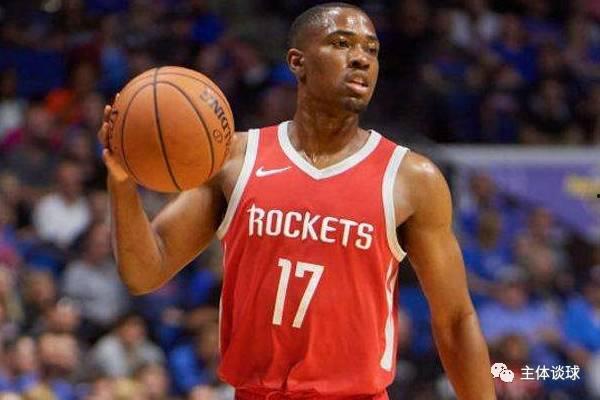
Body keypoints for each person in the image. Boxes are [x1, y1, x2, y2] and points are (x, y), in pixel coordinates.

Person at [97, 3, 495, 399]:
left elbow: (456, 320)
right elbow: (144, 272)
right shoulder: (236, 160)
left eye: (371, 49)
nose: (360, 58)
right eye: (342, 43)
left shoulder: (411, 178)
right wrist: (122, 181)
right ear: (297, 61)